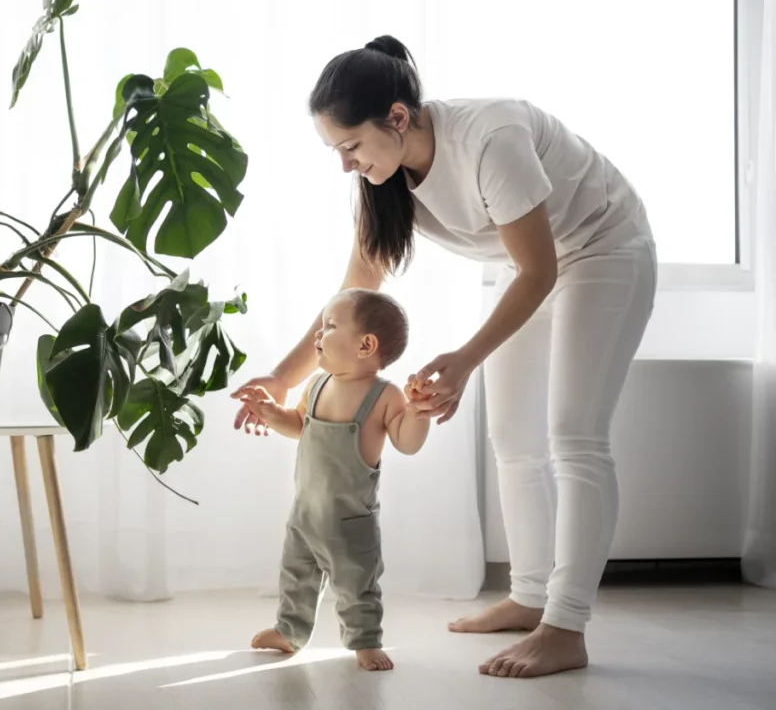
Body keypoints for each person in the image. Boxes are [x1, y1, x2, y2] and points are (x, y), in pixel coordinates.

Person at [232, 36, 657, 679]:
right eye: (335, 150)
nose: (345, 164)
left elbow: (539, 271)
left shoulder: (491, 138)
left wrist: (464, 358)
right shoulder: (384, 176)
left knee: (574, 435)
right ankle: (528, 595)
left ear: (397, 117)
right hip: (522, 270)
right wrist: (284, 380)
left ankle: (565, 627)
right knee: (512, 438)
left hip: (601, 248)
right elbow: (356, 287)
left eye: (350, 146)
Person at [235, 289, 430, 671]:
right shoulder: (318, 384)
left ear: (366, 345)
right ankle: (289, 632)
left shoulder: (385, 396)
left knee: (357, 585)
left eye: (329, 326)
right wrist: (272, 412)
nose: (317, 336)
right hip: (305, 512)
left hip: (350, 521)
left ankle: (365, 641)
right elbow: (299, 425)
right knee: (296, 577)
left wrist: (419, 413)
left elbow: (407, 443)